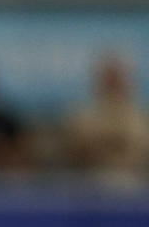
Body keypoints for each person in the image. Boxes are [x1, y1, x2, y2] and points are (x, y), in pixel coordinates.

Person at [63, 53, 149, 191]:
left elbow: (140, 153)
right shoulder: (81, 116)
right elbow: (73, 152)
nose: (114, 82)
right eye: (109, 77)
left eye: (118, 77)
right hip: (90, 183)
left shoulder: (142, 117)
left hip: (135, 185)